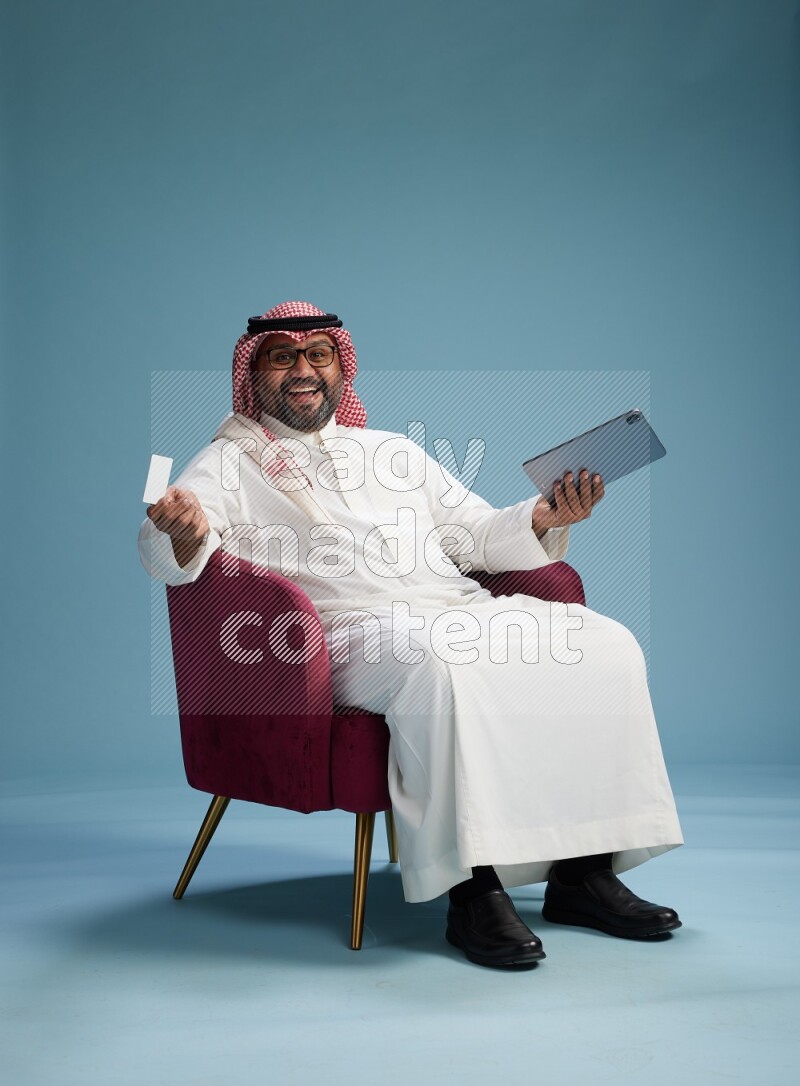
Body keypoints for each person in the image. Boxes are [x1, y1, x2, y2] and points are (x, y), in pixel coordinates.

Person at [139, 300, 684, 969]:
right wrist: (184, 533)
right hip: (338, 635)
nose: (303, 370)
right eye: (283, 357)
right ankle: (472, 890)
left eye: (318, 355)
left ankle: (584, 873)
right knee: (439, 665)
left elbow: (476, 533)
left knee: (603, 646)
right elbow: (169, 549)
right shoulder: (225, 463)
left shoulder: (393, 452)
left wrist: (544, 517)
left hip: (451, 607)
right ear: (255, 373)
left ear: (341, 368)